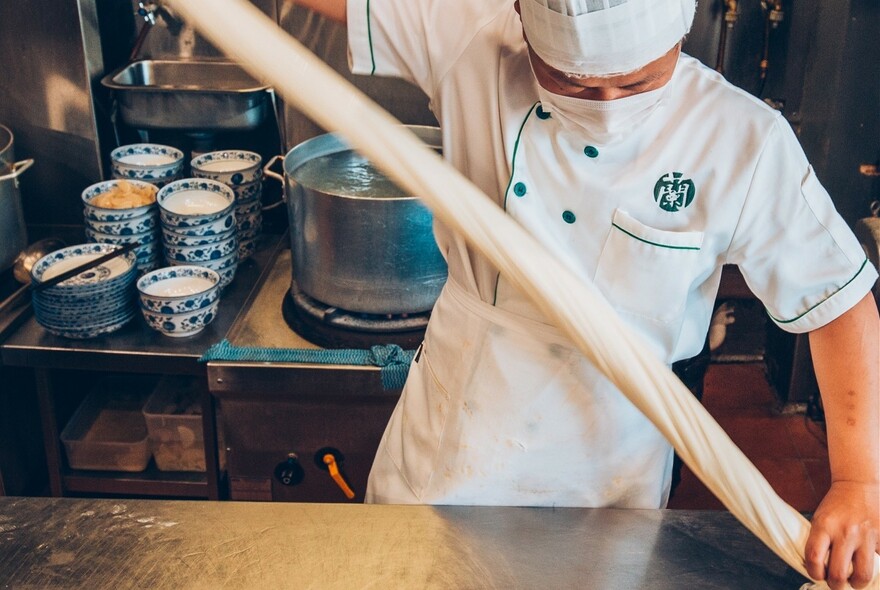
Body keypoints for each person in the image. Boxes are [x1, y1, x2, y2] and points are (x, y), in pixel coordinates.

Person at [288, 1, 879, 587]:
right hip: (450, 453)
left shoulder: (742, 140)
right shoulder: (471, 42)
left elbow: (839, 304)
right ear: (520, 14)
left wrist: (860, 481)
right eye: (571, 82)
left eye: (639, 82)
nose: (608, 108)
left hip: (608, 481)